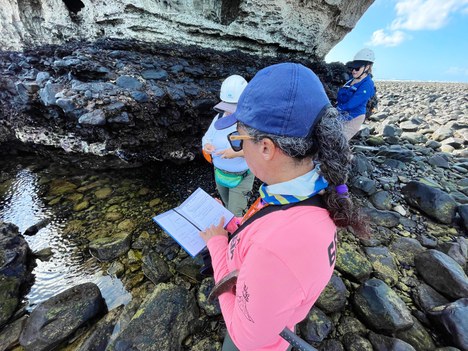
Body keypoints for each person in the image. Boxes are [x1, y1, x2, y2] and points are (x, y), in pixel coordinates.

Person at [199, 63, 367, 351]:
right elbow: (266, 229)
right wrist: (232, 225)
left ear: (266, 148)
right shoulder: (305, 192)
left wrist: (217, 246)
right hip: (274, 315)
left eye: (238, 139)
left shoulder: (278, 246)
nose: (238, 147)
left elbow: (245, 338)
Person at [202, 75, 255, 217]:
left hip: (242, 176)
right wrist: (206, 145)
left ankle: (236, 237)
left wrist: (236, 153)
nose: (229, 112)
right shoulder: (219, 117)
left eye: (233, 108)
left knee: (235, 213)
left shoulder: (252, 122)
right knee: (225, 206)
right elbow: (207, 136)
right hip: (220, 173)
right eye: (227, 107)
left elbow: (260, 149)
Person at [336, 48, 376, 140]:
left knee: (340, 141)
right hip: (341, 114)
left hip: (354, 117)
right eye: (353, 68)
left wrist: (335, 110)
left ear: (367, 67)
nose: (354, 70)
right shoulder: (351, 79)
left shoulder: (367, 84)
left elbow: (353, 103)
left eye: (357, 68)